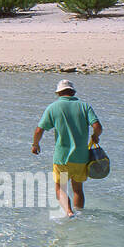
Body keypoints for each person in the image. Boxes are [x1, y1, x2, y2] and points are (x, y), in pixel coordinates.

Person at [31, 79, 102, 219]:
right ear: (73, 92)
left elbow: (39, 130)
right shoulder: (84, 106)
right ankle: (79, 214)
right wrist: (95, 137)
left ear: (58, 93)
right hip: (81, 158)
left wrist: (35, 144)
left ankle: (69, 212)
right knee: (78, 189)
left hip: (62, 159)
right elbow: (98, 127)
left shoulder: (53, 107)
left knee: (61, 188)